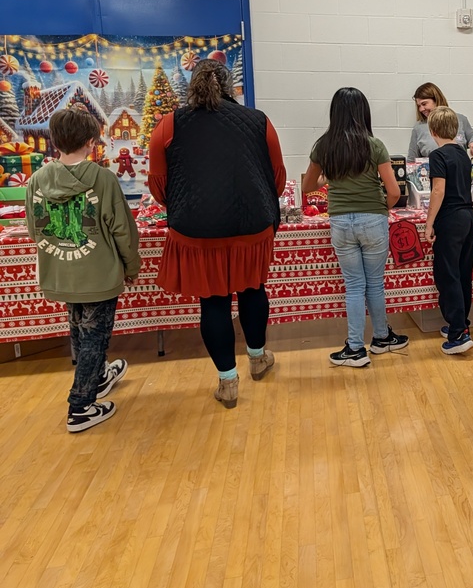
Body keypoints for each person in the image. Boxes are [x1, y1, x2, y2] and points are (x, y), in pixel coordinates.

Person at [149, 59, 285, 409]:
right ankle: (257, 358)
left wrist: (183, 205)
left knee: (213, 302)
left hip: (197, 230)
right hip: (252, 226)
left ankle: (227, 382)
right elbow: (277, 176)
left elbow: (158, 184)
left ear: (191, 86)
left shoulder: (168, 125)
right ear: (229, 87)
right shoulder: (259, 121)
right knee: (253, 289)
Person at [26, 108, 140, 432]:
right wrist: (131, 267)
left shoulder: (37, 180)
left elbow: (35, 231)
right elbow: (123, 231)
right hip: (98, 274)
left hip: (61, 274)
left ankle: (98, 376)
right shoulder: (103, 179)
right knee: (94, 337)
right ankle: (81, 406)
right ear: (91, 142)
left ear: (54, 142)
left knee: (78, 328)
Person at [304, 87, 407, 368]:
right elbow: (394, 191)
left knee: (353, 286)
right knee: (375, 283)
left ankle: (354, 348)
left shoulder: (323, 146)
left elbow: (308, 186)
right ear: (364, 112)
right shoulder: (374, 145)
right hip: (373, 220)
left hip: (340, 222)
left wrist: (330, 179)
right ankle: (382, 338)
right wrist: (381, 208)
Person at [424, 106, 473, 355]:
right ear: (455, 130)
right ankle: (462, 323)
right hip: (468, 217)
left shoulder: (438, 155)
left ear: (432, 131)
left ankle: (458, 332)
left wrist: (429, 223)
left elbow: (438, 190)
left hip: (450, 218)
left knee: (448, 275)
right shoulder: (463, 154)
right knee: (463, 272)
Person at [408, 82, 473, 159]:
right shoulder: (419, 128)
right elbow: (412, 159)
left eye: (424, 104)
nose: (421, 109)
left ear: (436, 100)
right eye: (418, 106)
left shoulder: (460, 120)